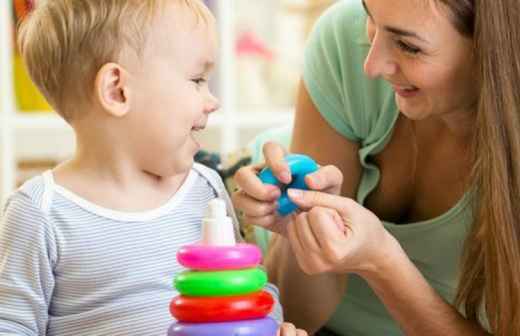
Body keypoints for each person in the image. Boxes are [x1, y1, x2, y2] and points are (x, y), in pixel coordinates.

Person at [0, 1, 307, 335]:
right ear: (117, 90)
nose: (212, 100)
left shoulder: (206, 188)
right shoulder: (40, 212)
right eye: (197, 79)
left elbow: (242, 293)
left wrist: (272, 326)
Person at [233, 0, 520, 335]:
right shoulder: (345, 38)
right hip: (253, 265)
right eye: (370, 17)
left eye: (409, 46)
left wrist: (382, 262)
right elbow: (295, 317)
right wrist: (302, 229)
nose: (371, 65)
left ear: (493, 51)